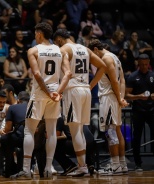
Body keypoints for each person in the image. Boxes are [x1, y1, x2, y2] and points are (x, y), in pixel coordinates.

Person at [11, 22, 72, 179]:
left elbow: (37, 75)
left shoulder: (33, 50)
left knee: (29, 130)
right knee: (51, 131)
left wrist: (47, 91)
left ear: (39, 33)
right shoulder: (60, 50)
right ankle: (47, 169)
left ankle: (26, 170)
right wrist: (56, 92)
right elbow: (68, 74)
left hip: (39, 93)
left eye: (35, 34)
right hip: (55, 94)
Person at [53, 29, 106, 177]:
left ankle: (82, 166)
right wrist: (91, 85)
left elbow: (67, 73)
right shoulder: (85, 48)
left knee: (75, 130)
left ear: (59, 39)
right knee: (81, 129)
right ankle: (83, 165)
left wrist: (59, 90)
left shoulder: (64, 49)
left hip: (73, 90)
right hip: (85, 90)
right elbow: (102, 66)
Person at [88, 39, 129, 175]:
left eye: (92, 55)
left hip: (109, 98)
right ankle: (122, 165)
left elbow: (115, 81)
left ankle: (115, 165)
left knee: (111, 132)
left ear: (95, 50)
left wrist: (118, 98)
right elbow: (122, 80)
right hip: (115, 98)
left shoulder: (106, 59)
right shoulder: (115, 57)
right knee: (117, 131)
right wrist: (121, 98)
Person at [125, 54, 154, 172]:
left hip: (152, 111)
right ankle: (138, 164)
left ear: (149, 63)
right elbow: (126, 95)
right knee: (136, 138)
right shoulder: (132, 77)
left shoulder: (153, 75)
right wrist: (139, 96)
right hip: (138, 111)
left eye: (146, 64)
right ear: (138, 64)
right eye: (141, 64)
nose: (144, 67)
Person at [1, 91, 30, 177]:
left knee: (4, 139)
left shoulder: (12, 107)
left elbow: (8, 129)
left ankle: (10, 168)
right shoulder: (35, 107)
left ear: (18, 100)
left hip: (19, 138)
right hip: (35, 138)